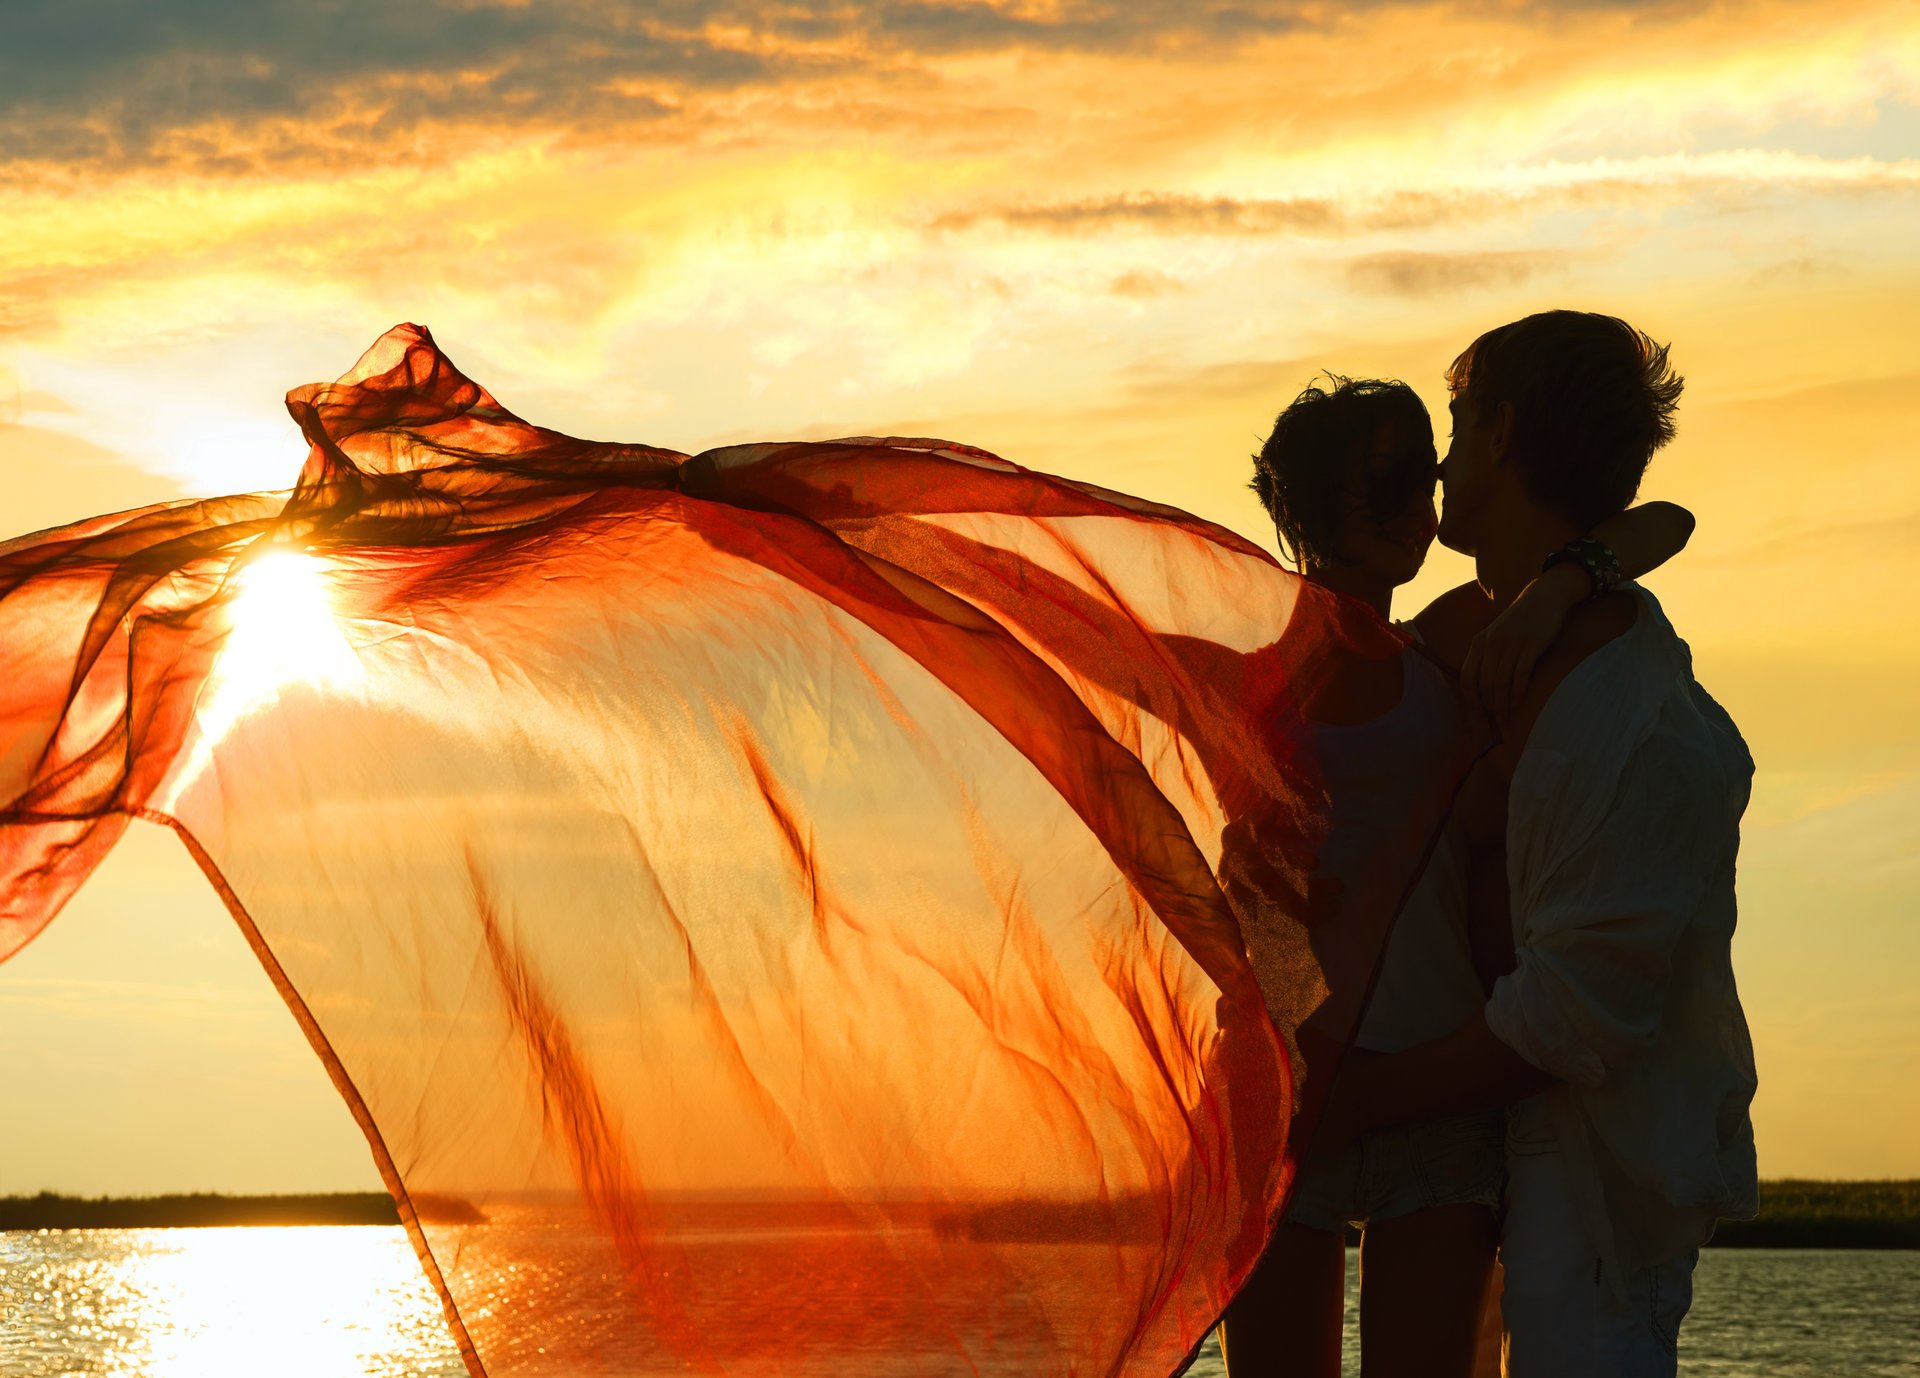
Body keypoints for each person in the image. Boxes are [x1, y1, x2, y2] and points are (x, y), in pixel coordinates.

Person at [1222, 373, 1697, 1378]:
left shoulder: (1454, 637)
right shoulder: (1253, 688)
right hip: (1286, 1097)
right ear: (1311, 505)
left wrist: (1564, 585)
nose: (1414, 505)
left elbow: (1666, 519)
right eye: (1383, 481)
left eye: (1423, 475)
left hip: (1434, 1085)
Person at [1316, 311, 1757, 1377]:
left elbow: (1566, 1018)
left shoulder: (1637, 719)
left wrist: (1329, 1107)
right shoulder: (1478, 636)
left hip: (1597, 1202)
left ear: (1504, 432)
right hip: (1504, 1166)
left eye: (1458, 425)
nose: (1443, 460)